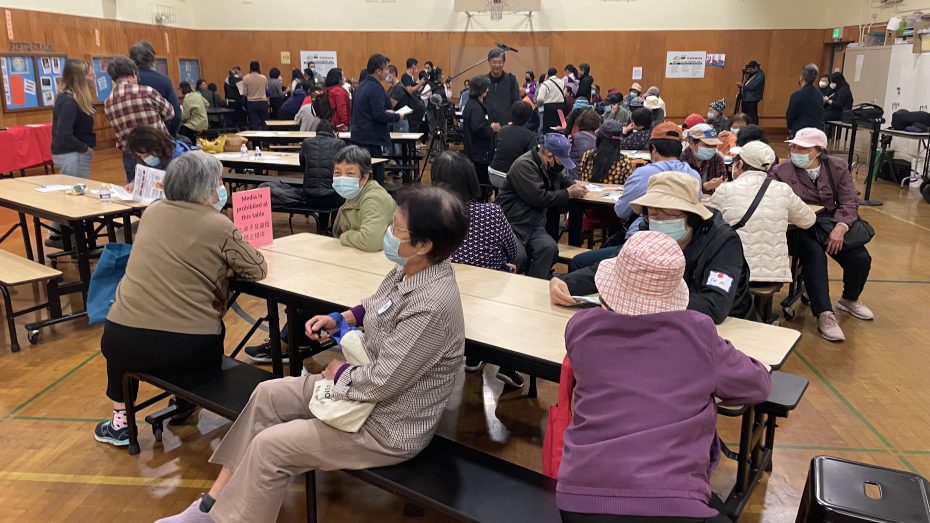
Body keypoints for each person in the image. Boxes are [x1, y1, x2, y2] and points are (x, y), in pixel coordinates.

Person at [155, 185, 469, 523]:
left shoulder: (430, 306)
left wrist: (337, 374)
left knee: (271, 446)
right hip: (360, 396)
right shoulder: (411, 267)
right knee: (266, 394)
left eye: (395, 228)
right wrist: (342, 318)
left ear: (423, 245)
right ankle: (211, 504)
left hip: (386, 426)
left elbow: (381, 383)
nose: (387, 234)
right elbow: (376, 304)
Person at [557, 231, 771, 523]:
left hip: (579, 499)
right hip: (671, 501)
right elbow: (758, 386)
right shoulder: (697, 333)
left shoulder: (580, 329)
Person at [94, 152, 267, 448]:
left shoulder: (151, 212)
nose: (221, 188)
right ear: (205, 189)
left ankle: (120, 421)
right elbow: (257, 268)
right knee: (205, 330)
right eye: (218, 183)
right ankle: (187, 399)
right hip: (188, 349)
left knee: (125, 334)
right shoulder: (218, 225)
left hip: (120, 338)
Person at [551, 171, 756, 325]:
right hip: (661, 325)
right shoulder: (648, 229)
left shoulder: (723, 242)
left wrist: (651, 302)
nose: (657, 221)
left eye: (666, 215)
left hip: (724, 330)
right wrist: (566, 282)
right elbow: (617, 265)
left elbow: (715, 306)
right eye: (652, 214)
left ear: (691, 216)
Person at [771, 128, 873, 342]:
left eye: (802, 147)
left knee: (860, 258)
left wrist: (841, 226)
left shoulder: (837, 167)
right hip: (798, 227)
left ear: (818, 151)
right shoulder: (781, 171)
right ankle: (824, 313)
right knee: (814, 255)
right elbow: (771, 201)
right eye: (794, 146)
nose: (795, 150)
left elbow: (848, 200)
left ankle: (849, 299)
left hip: (829, 224)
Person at [568, 122, 700, 271]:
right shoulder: (694, 176)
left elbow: (622, 212)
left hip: (639, 244)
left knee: (579, 262)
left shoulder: (644, 174)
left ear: (653, 149)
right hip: (681, 246)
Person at [708, 141, 816, 284]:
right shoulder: (783, 190)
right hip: (772, 275)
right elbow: (808, 220)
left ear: (739, 164)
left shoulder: (725, 189)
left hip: (732, 272)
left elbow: (706, 222)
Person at [497, 133, 588, 280]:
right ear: (549, 155)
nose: (562, 165)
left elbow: (561, 177)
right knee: (518, 257)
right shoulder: (524, 165)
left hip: (533, 224)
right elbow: (539, 198)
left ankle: (536, 286)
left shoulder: (549, 165)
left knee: (549, 248)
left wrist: (573, 185)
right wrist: (568, 193)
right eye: (560, 161)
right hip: (513, 223)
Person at [432, 151, 521, 272]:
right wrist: (501, 262)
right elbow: (513, 251)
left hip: (441, 284)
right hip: (489, 284)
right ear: (471, 179)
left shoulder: (426, 215)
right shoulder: (492, 214)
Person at [103, 55, 175, 183]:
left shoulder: (108, 102)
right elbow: (170, 113)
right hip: (158, 151)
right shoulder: (146, 91)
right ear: (133, 74)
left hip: (130, 154)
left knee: (136, 193)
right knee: (166, 190)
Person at [331, 145, 396, 252]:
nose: (342, 178)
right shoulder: (356, 193)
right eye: (337, 172)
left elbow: (370, 242)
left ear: (364, 177)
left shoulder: (374, 198)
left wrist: (345, 236)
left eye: (350, 173)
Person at [351, 54, 403, 185]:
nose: (387, 72)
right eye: (386, 69)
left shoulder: (362, 85)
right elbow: (378, 115)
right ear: (378, 71)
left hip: (360, 137)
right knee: (376, 177)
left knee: (362, 175)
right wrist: (397, 116)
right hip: (370, 140)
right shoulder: (375, 88)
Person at [52, 59, 96, 182]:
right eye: (91, 75)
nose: (94, 78)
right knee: (77, 195)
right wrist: (84, 148)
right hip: (72, 155)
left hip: (74, 154)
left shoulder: (74, 99)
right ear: (81, 79)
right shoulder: (69, 101)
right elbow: (63, 134)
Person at [129, 41, 181, 136]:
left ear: (131, 60)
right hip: (160, 138)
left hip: (131, 141)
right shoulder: (164, 81)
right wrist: (171, 135)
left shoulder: (125, 84)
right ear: (153, 60)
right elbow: (176, 115)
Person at [461, 75, 500, 190]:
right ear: (482, 91)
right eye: (486, 88)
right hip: (479, 154)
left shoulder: (472, 104)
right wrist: (492, 128)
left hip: (474, 151)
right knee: (480, 183)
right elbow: (477, 127)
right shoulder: (476, 107)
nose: (488, 90)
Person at [298, 121, 348, 210]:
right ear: (333, 132)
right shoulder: (340, 143)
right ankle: (334, 223)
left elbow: (302, 166)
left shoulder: (307, 143)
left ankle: (322, 224)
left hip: (310, 197)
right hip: (333, 197)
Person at [577, 120, 634, 185]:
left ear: (599, 137)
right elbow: (629, 186)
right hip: (614, 194)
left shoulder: (588, 156)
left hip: (588, 194)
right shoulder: (624, 162)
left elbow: (582, 177)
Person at [489, 101, 537, 177]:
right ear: (529, 117)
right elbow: (533, 160)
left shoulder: (502, 130)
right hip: (511, 177)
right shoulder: (530, 136)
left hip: (493, 172)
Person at [682, 124, 727, 193]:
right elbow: (680, 189)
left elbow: (723, 187)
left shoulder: (717, 159)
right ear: (691, 143)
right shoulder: (681, 160)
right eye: (707, 145)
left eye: (714, 145)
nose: (711, 148)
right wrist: (704, 187)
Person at [786, 63, 825, 136]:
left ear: (801, 77)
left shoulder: (796, 95)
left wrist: (790, 128)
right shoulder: (819, 94)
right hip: (818, 130)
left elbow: (790, 115)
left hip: (801, 130)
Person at [484, 48, 520, 126]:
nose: (497, 65)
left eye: (500, 62)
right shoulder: (484, 81)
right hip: (488, 127)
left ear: (503, 62)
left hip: (507, 127)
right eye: (494, 62)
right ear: (489, 62)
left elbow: (517, 102)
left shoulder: (511, 79)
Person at [567, 109, 602, 179]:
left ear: (580, 122)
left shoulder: (572, 138)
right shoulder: (600, 139)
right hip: (592, 178)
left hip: (574, 177)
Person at [536, 67, 566, 132]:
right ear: (556, 74)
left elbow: (540, 99)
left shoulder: (545, 84)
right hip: (560, 107)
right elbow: (564, 94)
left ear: (547, 74)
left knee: (548, 129)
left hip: (549, 108)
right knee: (559, 129)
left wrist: (538, 106)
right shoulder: (562, 82)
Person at [242, 61, 269, 130]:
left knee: (254, 123)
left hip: (251, 103)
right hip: (263, 102)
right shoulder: (264, 78)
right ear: (259, 68)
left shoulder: (245, 78)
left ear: (250, 68)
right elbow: (266, 90)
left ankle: (255, 140)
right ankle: (265, 140)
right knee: (264, 123)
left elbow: (244, 93)